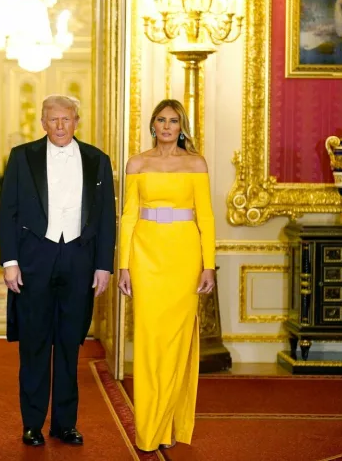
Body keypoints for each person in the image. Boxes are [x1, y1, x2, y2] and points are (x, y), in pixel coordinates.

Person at [0, 95, 116, 447]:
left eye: (67, 119)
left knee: (69, 345)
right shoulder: (22, 156)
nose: (60, 126)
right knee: (34, 345)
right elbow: (9, 212)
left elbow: (107, 218)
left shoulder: (98, 160)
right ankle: (32, 423)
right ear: (43, 123)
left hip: (80, 261)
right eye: (54, 120)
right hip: (35, 259)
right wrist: (9, 261)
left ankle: (65, 424)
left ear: (77, 121)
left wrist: (103, 266)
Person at [117, 99, 216, 452]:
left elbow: (205, 216)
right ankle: (148, 428)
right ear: (153, 125)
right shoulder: (137, 163)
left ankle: (169, 421)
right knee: (147, 342)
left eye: (173, 121)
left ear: (181, 126)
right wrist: (123, 265)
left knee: (176, 345)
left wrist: (208, 265)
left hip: (184, 257)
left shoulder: (196, 163)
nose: (167, 126)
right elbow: (128, 216)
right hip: (145, 257)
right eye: (161, 120)